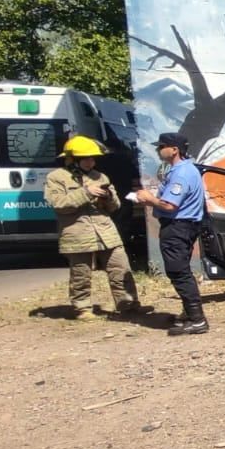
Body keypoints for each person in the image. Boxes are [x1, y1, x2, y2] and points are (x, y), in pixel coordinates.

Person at [44, 136, 141, 320]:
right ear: (72, 159)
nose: (91, 162)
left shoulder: (100, 176)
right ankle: (82, 308)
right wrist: (86, 192)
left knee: (120, 267)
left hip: (106, 231)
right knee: (81, 272)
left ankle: (128, 305)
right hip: (76, 232)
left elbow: (115, 207)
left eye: (92, 158)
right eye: (86, 158)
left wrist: (108, 196)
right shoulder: (56, 178)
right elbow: (59, 204)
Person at [136, 132, 209, 336]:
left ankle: (197, 320)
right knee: (181, 269)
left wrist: (148, 198)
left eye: (162, 147)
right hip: (182, 226)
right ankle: (189, 313)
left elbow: (169, 204)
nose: (159, 150)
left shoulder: (181, 173)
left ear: (174, 149)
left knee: (178, 272)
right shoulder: (181, 170)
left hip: (178, 226)